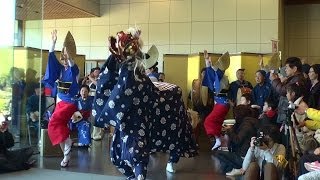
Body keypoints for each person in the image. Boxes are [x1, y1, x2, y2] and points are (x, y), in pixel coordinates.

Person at [92, 28, 197, 179]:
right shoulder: (125, 68)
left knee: (137, 154)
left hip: (139, 120)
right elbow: (110, 77)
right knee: (117, 158)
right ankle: (132, 176)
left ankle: (171, 159)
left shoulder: (137, 74)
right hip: (127, 119)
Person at [42, 30, 79, 167]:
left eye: (66, 59)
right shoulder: (60, 69)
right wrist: (53, 43)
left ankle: (67, 146)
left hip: (69, 103)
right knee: (58, 127)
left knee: (53, 123)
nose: (63, 61)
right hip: (60, 101)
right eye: (62, 59)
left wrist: (69, 56)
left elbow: (72, 65)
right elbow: (51, 58)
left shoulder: (74, 69)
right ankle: (66, 156)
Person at [202, 50, 230, 150]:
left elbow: (211, 74)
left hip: (222, 103)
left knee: (208, 121)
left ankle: (218, 139)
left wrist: (208, 63)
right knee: (217, 123)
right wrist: (207, 62)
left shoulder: (221, 76)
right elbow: (211, 74)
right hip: (220, 102)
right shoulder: (219, 75)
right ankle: (219, 140)